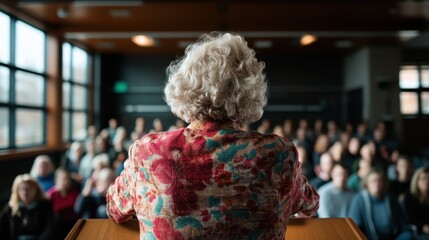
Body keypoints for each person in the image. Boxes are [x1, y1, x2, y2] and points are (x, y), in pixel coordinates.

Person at [106, 32, 319, 239]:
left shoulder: (148, 152)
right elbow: (310, 204)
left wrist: (132, 171)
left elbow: (114, 208)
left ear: (184, 88)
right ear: (249, 93)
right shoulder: (278, 154)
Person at [348, 169, 408, 240]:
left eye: (380, 181)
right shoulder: (359, 200)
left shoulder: (390, 198)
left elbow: (400, 221)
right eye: (373, 181)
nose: (377, 183)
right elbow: (355, 225)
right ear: (367, 184)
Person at [0, 174, 57, 240]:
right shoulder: (9, 209)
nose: (25, 192)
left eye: (28, 189)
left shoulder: (45, 206)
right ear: (16, 191)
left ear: (36, 190)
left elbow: (50, 229)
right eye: (21, 189)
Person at [47, 168, 79, 239]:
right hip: (57, 225)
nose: (67, 182)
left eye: (68, 179)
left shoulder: (74, 192)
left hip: (73, 223)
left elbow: (77, 210)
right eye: (64, 179)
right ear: (56, 181)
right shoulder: (51, 194)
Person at [402, 166, 429, 240]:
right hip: (417, 230)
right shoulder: (409, 197)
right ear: (416, 180)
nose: (427, 181)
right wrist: (423, 227)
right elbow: (410, 218)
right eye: (423, 178)